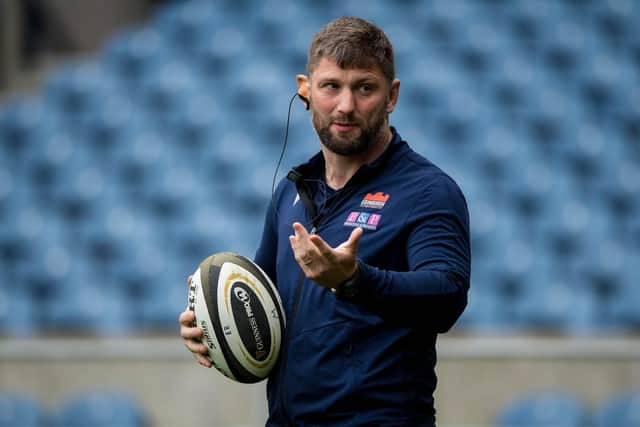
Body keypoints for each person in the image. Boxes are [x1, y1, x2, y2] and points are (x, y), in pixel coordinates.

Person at [179, 16, 471, 427]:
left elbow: (447, 295)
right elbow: (264, 299)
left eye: (365, 88)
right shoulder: (291, 191)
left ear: (392, 95)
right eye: (331, 86)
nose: (346, 105)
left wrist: (354, 279)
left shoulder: (427, 190)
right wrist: (208, 323)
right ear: (306, 90)